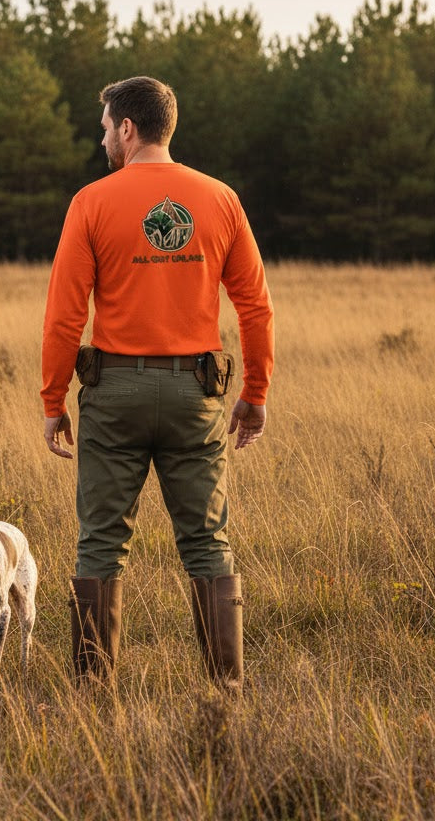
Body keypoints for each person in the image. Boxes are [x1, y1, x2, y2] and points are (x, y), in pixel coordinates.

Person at [40, 76, 274, 689]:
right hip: (196, 396)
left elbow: (65, 312)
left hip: (113, 395)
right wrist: (255, 394)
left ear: (127, 129)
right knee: (206, 542)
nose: (102, 139)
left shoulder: (91, 202)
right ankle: (226, 691)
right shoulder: (220, 198)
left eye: (105, 127)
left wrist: (52, 399)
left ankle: (94, 694)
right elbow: (255, 305)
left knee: (100, 544)